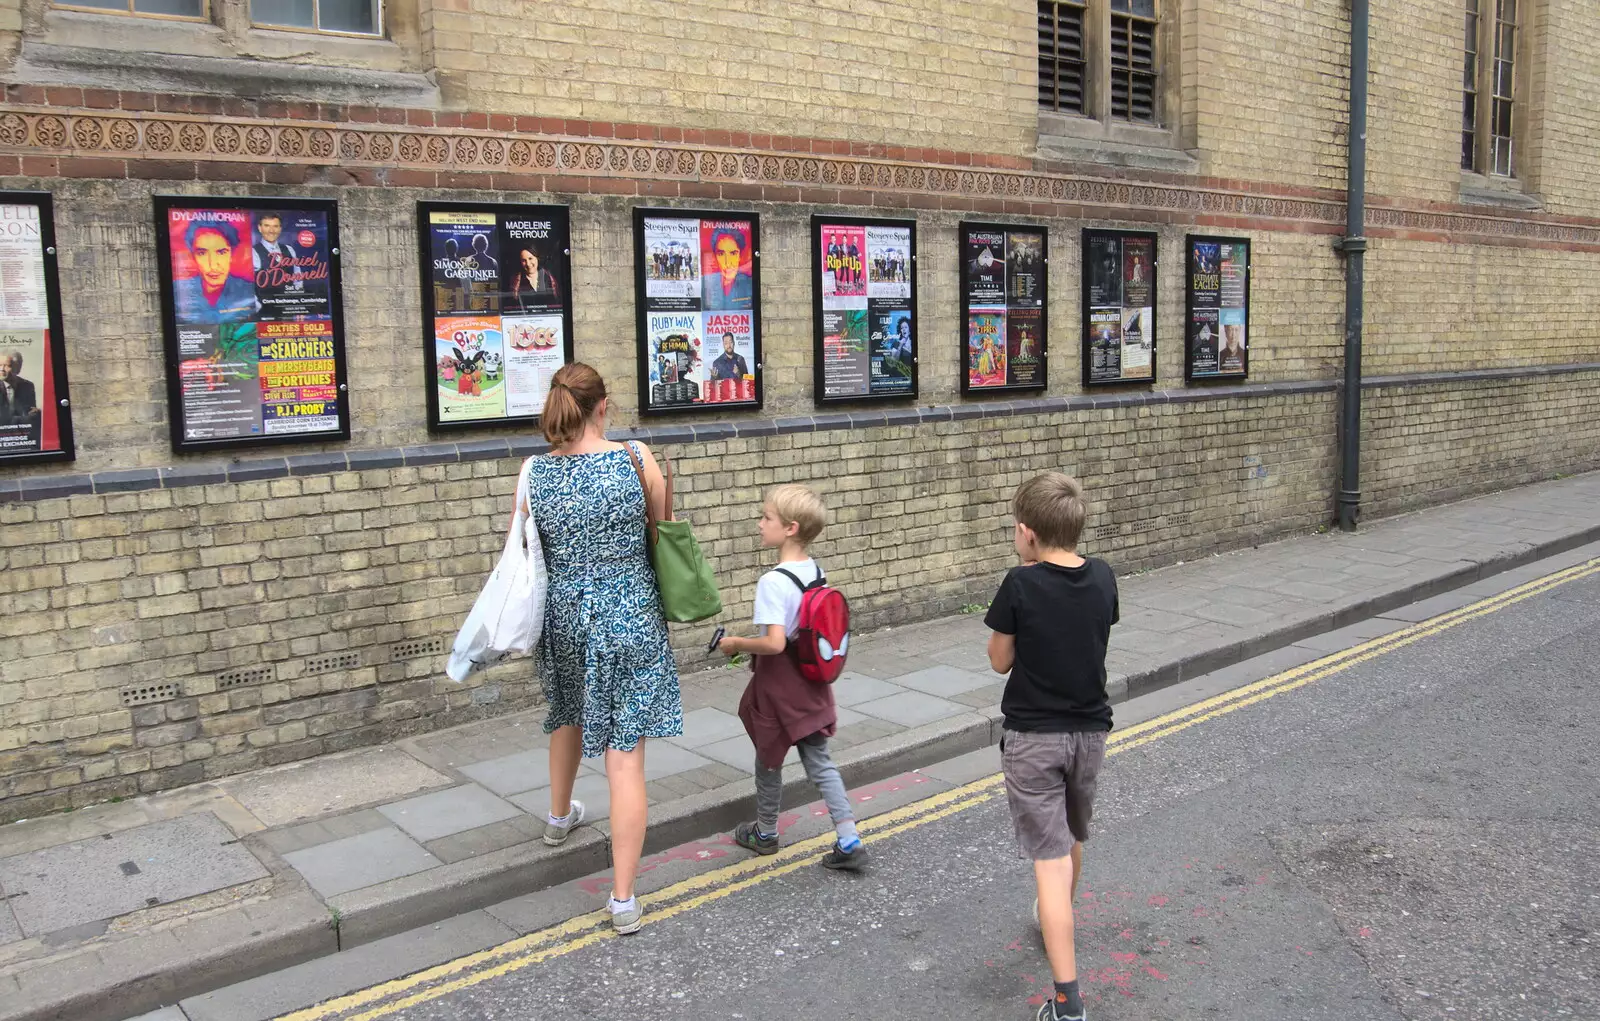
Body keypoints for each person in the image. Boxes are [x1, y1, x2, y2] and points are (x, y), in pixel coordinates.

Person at [520, 363, 682, 935]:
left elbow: (522, 551)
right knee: (624, 754)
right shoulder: (636, 458)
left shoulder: (534, 471)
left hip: (565, 617)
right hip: (631, 613)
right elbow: (663, 528)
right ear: (603, 407)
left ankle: (558, 818)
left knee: (566, 709)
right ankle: (622, 900)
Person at [985, 473, 1119, 1021]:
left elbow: (999, 660)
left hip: (1034, 739)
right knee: (1072, 835)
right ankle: (1056, 918)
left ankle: (1067, 1003)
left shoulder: (1019, 585)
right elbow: (1095, 629)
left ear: (1027, 533)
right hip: (1089, 733)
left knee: (1048, 860)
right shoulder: (1104, 577)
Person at [718, 484, 867, 871]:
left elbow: (773, 642)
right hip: (811, 678)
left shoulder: (774, 582)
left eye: (766, 517)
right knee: (819, 759)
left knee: (769, 755)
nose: (759, 523)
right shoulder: (816, 570)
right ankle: (848, 837)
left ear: (790, 528)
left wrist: (735, 643)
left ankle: (766, 833)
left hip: (779, 683)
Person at [174, 220, 258, 325]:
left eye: (221, 252)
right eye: (202, 253)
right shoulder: (178, 291)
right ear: (193, 256)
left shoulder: (248, 291)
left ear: (232, 254)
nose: (213, 265)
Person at [702, 228, 753, 310]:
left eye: (733, 253)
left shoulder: (750, 285)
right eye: (721, 254)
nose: (727, 263)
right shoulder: (705, 282)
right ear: (715, 256)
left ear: (740, 256)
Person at [0, 351, 39, 442]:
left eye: (7, 366)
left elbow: (30, 414)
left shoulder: (27, 385)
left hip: (22, 436)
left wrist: (34, 413)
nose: (1, 369)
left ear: (17, 368)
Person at [506, 246, 559, 312]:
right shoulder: (515, 282)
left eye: (530, 258)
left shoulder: (549, 278)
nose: (528, 264)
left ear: (537, 258)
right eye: (524, 260)